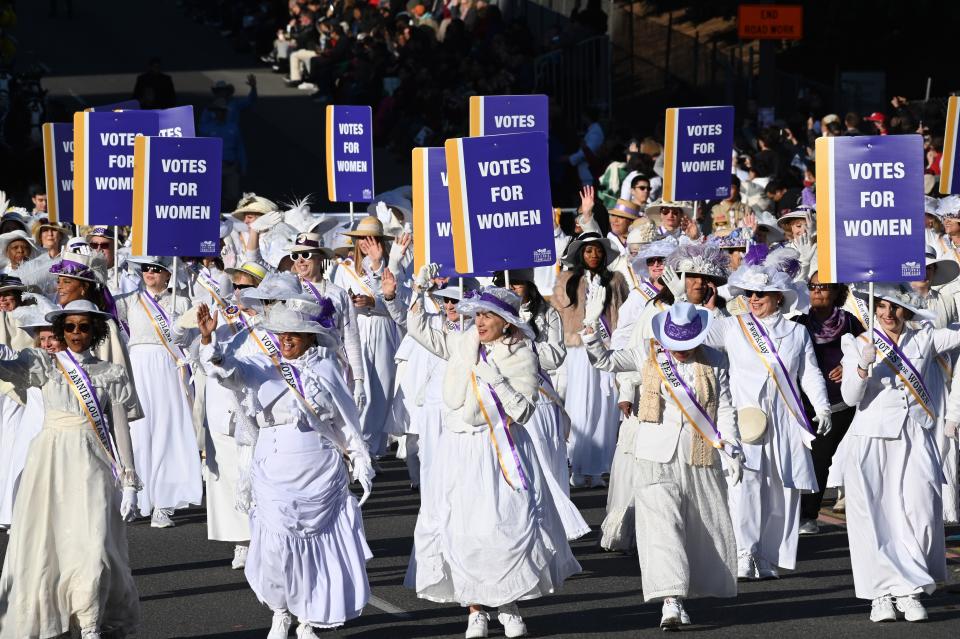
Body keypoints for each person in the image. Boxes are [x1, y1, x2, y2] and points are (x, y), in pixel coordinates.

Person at [402, 285, 586, 639]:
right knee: (465, 529)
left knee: (503, 527)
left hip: (499, 450)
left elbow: (524, 409)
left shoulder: (522, 353)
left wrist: (495, 379)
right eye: (478, 315)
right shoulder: (464, 342)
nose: (480, 321)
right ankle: (475, 609)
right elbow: (419, 329)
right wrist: (417, 291)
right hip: (460, 449)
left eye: (487, 315)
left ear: (506, 322)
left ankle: (507, 603)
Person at [197, 300, 374, 638]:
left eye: (295, 335)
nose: (287, 340)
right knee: (277, 549)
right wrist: (209, 343)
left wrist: (360, 459)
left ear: (310, 337)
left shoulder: (327, 370)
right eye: (282, 334)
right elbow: (225, 370)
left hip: (319, 469)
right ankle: (281, 611)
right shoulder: (261, 366)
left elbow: (346, 421)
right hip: (274, 467)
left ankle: (307, 618)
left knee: (315, 552)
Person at [584, 302, 742, 629]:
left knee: (700, 527)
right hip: (654, 453)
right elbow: (606, 361)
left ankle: (687, 589)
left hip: (699, 455)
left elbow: (724, 407)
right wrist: (591, 334)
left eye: (686, 345)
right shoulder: (647, 352)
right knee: (661, 525)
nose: (680, 352)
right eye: (675, 346)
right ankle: (670, 599)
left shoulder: (715, 359)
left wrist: (732, 446)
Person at [0, 300, 142, 639]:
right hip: (50, 466)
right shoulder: (46, 366)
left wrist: (131, 481)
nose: (76, 333)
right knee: (52, 547)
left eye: (83, 327)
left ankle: (90, 623)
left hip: (93, 465)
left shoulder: (111, 373)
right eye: (69, 327)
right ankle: (57, 617)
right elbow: (6, 368)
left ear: (94, 331)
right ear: (60, 331)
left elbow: (120, 428)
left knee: (94, 547)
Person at [834, 285, 960, 623]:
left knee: (920, 513)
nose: (889, 314)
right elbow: (850, 398)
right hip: (872, 438)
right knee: (874, 518)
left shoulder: (925, 339)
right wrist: (862, 367)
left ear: (909, 311)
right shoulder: (857, 342)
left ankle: (910, 587)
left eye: (897, 308)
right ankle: (881, 594)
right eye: (883, 307)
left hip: (916, 436)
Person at [706, 253, 831, 580]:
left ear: (779, 297)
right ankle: (744, 552)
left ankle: (769, 554)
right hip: (746, 421)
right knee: (745, 486)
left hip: (786, 422)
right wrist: (681, 302)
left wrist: (822, 406)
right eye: (748, 294)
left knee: (782, 490)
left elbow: (811, 375)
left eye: (760, 294)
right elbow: (690, 337)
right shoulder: (732, 327)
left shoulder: (796, 333)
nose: (754, 299)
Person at [114, 256, 202, 527]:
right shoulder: (129, 299)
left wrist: (178, 330)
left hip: (167, 366)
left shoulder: (182, 302)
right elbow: (105, 309)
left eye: (156, 269)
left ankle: (163, 503)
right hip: (138, 365)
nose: (150, 273)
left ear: (168, 274)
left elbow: (188, 341)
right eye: (146, 268)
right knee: (139, 431)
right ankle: (136, 496)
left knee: (166, 430)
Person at [553, 231, 629, 487]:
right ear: (580, 254)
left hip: (606, 347)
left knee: (604, 405)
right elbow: (559, 313)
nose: (594, 255)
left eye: (598, 250)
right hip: (579, 350)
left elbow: (623, 313)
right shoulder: (568, 280)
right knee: (580, 402)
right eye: (588, 251)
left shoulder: (616, 281)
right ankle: (577, 462)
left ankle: (597, 467)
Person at [790, 272, 864, 535]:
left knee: (820, 459)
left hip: (838, 404)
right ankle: (789, 514)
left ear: (836, 291)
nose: (818, 291)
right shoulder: (797, 324)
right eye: (813, 286)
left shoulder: (851, 323)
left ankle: (808, 515)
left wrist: (850, 365)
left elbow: (869, 353)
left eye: (824, 287)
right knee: (797, 458)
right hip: (801, 404)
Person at [495, 268, 570, 492]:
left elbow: (556, 356)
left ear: (529, 285)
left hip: (540, 396)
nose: (511, 289)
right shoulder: (493, 315)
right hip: (505, 394)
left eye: (517, 284)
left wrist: (526, 345)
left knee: (545, 457)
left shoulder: (547, 313)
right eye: (505, 284)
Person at [333, 216, 403, 457]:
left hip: (382, 328)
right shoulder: (343, 269)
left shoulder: (392, 267)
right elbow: (337, 301)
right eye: (362, 238)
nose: (366, 243)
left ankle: (373, 450)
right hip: (355, 329)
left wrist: (374, 300)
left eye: (372, 238)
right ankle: (355, 449)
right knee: (356, 388)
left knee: (382, 390)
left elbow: (399, 306)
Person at [287, 231, 365, 408]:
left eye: (306, 255)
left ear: (320, 257)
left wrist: (359, 380)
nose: (300, 261)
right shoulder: (288, 291)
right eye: (295, 255)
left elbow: (351, 339)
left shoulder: (339, 294)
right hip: (297, 370)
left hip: (331, 369)